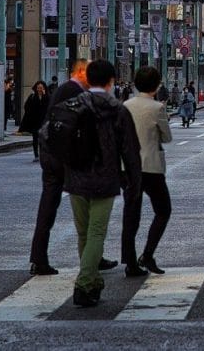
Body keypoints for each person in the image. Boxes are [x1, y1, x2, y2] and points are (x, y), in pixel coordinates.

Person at [58, 60, 141, 307]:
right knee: (96, 232)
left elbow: (48, 136)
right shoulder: (117, 109)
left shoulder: (71, 105)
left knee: (83, 232)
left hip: (75, 176)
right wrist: (134, 182)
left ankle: (93, 281)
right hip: (104, 178)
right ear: (111, 81)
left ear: (87, 79)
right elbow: (130, 149)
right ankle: (84, 284)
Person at [32, 59, 107, 276]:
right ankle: (92, 256)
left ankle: (40, 258)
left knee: (49, 206)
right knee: (88, 203)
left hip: (52, 155)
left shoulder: (66, 89)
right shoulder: (72, 91)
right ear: (82, 72)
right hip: (62, 157)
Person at [122, 66, 172, 277]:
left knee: (131, 213)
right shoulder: (157, 108)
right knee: (163, 210)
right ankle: (148, 254)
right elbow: (167, 137)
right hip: (151, 166)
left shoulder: (125, 105)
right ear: (157, 85)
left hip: (127, 167)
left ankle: (130, 261)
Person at [20, 81, 49, 157]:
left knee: (43, 139)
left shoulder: (47, 96)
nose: (39, 89)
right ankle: (36, 154)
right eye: (38, 88)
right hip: (35, 121)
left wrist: (45, 95)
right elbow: (26, 106)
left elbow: (49, 105)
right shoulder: (32, 96)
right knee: (35, 138)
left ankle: (43, 154)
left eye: (41, 88)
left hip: (44, 121)